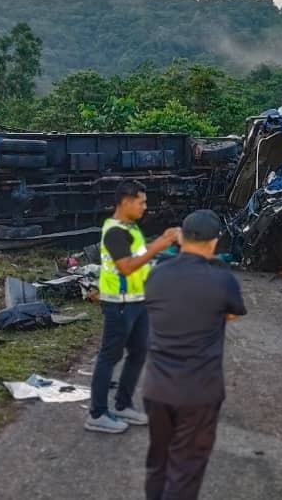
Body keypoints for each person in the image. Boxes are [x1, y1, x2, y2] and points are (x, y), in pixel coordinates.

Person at [143, 209, 247, 500]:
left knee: (158, 464)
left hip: (157, 389)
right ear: (214, 242)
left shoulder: (156, 273)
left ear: (181, 236)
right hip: (198, 393)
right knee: (185, 471)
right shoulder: (222, 280)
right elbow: (230, 314)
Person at [85, 179, 179, 434]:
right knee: (109, 356)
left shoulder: (131, 228)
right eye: (141, 202)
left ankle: (123, 404)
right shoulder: (115, 231)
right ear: (125, 202)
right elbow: (126, 265)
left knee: (139, 352)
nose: (145, 207)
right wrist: (159, 245)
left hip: (138, 302)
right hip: (120, 305)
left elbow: (140, 259)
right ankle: (97, 413)